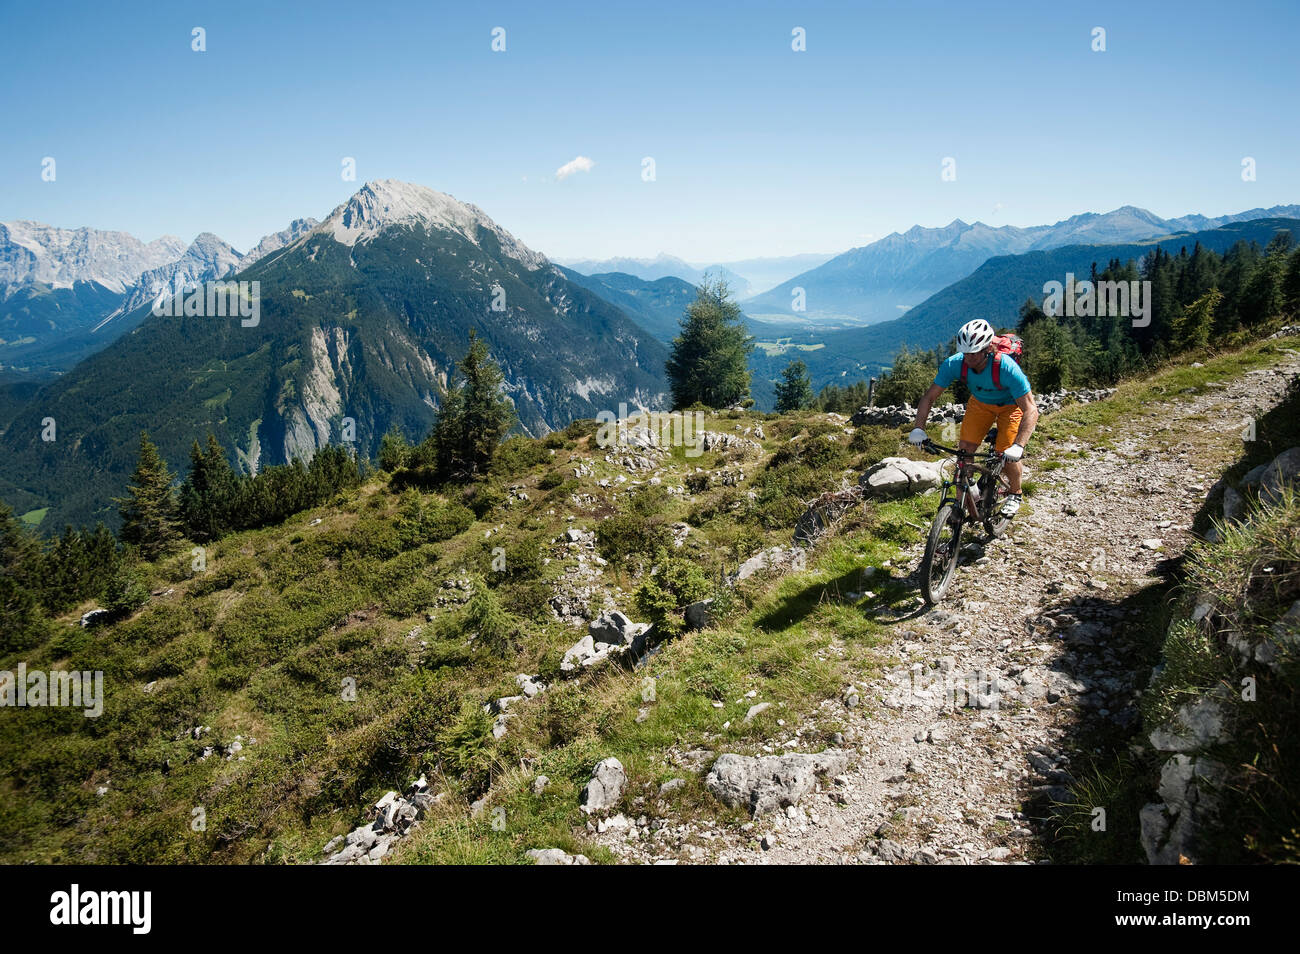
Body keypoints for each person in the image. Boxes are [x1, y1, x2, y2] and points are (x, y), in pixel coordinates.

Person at [907, 318, 1039, 517]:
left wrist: (1019, 446)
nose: (968, 358)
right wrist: (918, 428)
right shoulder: (955, 363)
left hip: (1011, 407)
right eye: (965, 352)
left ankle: (1015, 493)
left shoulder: (1006, 367)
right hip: (980, 404)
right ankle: (960, 508)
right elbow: (929, 396)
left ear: (987, 349)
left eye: (974, 353)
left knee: (1006, 453)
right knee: (964, 454)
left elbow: (1030, 409)